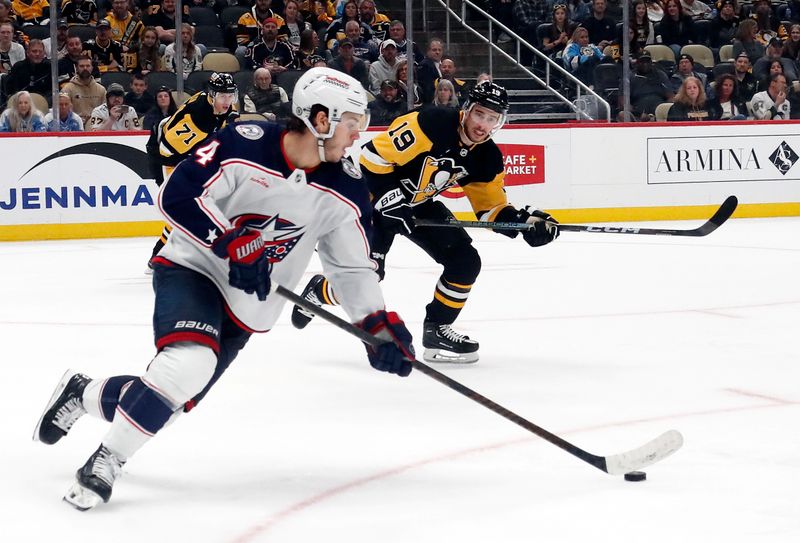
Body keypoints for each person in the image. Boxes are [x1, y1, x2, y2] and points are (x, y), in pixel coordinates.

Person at [33, 67, 414, 511]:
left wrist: (375, 325)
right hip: (194, 266)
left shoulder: (344, 186)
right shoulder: (244, 141)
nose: (356, 137)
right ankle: (105, 461)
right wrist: (227, 240)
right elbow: (180, 193)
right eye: (352, 125)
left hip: (251, 303)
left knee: (169, 402)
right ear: (321, 118)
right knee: (185, 367)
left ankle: (82, 391)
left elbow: (352, 269)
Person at [291, 81, 559, 364]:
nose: (483, 124)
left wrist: (523, 223)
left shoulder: (487, 157)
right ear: (467, 110)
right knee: (368, 276)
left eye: (492, 119)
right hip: (371, 200)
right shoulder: (431, 123)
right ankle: (318, 291)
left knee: (465, 261)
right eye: (480, 114)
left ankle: (437, 330)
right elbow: (371, 157)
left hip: (417, 206)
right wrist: (389, 199)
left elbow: (491, 209)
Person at [146, 72, 239, 263]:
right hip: (167, 156)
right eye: (223, 96)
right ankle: (159, 255)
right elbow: (170, 151)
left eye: (230, 95)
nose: (228, 101)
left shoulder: (217, 105)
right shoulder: (199, 118)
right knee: (181, 206)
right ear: (212, 95)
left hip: (183, 152)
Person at [62, 55, 106, 124]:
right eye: (81, 66)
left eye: (88, 66)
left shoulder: (101, 90)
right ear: (76, 68)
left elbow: (105, 112)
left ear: (92, 68)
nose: (85, 68)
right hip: (75, 125)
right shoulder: (67, 89)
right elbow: (63, 112)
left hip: (95, 126)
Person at [105, 0, 144, 72]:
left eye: (122, 2)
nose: (119, 5)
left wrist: (132, 47)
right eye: (116, 3)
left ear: (127, 3)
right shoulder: (106, 22)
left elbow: (144, 42)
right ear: (112, 5)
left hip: (132, 62)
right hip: (112, 61)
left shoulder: (137, 23)